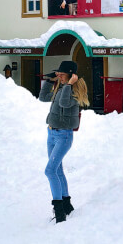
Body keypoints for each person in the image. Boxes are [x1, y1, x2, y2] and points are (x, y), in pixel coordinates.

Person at [38, 60, 89, 223]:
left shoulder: (75, 91)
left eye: (61, 73)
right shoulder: (60, 88)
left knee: (50, 171)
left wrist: (68, 84)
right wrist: (48, 81)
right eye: (57, 73)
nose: (58, 75)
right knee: (57, 171)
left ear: (71, 75)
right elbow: (42, 97)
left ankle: (59, 210)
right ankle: (67, 205)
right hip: (51, 133)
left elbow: (64, 103)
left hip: (64, 136)